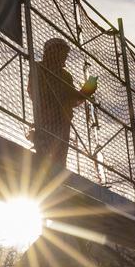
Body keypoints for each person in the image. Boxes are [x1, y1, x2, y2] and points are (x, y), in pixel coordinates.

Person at [27, 38, 97, 170]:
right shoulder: (38, 68)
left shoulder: (66, 76)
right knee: (43, 153)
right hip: (46, 118)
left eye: (65, 53)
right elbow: (33, 91)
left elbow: (72, 99)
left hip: (62, 121)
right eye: (61, 52)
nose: (64, 56)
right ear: (51, 52)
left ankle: (57, 175)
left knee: (59, 158)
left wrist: (86, 91)